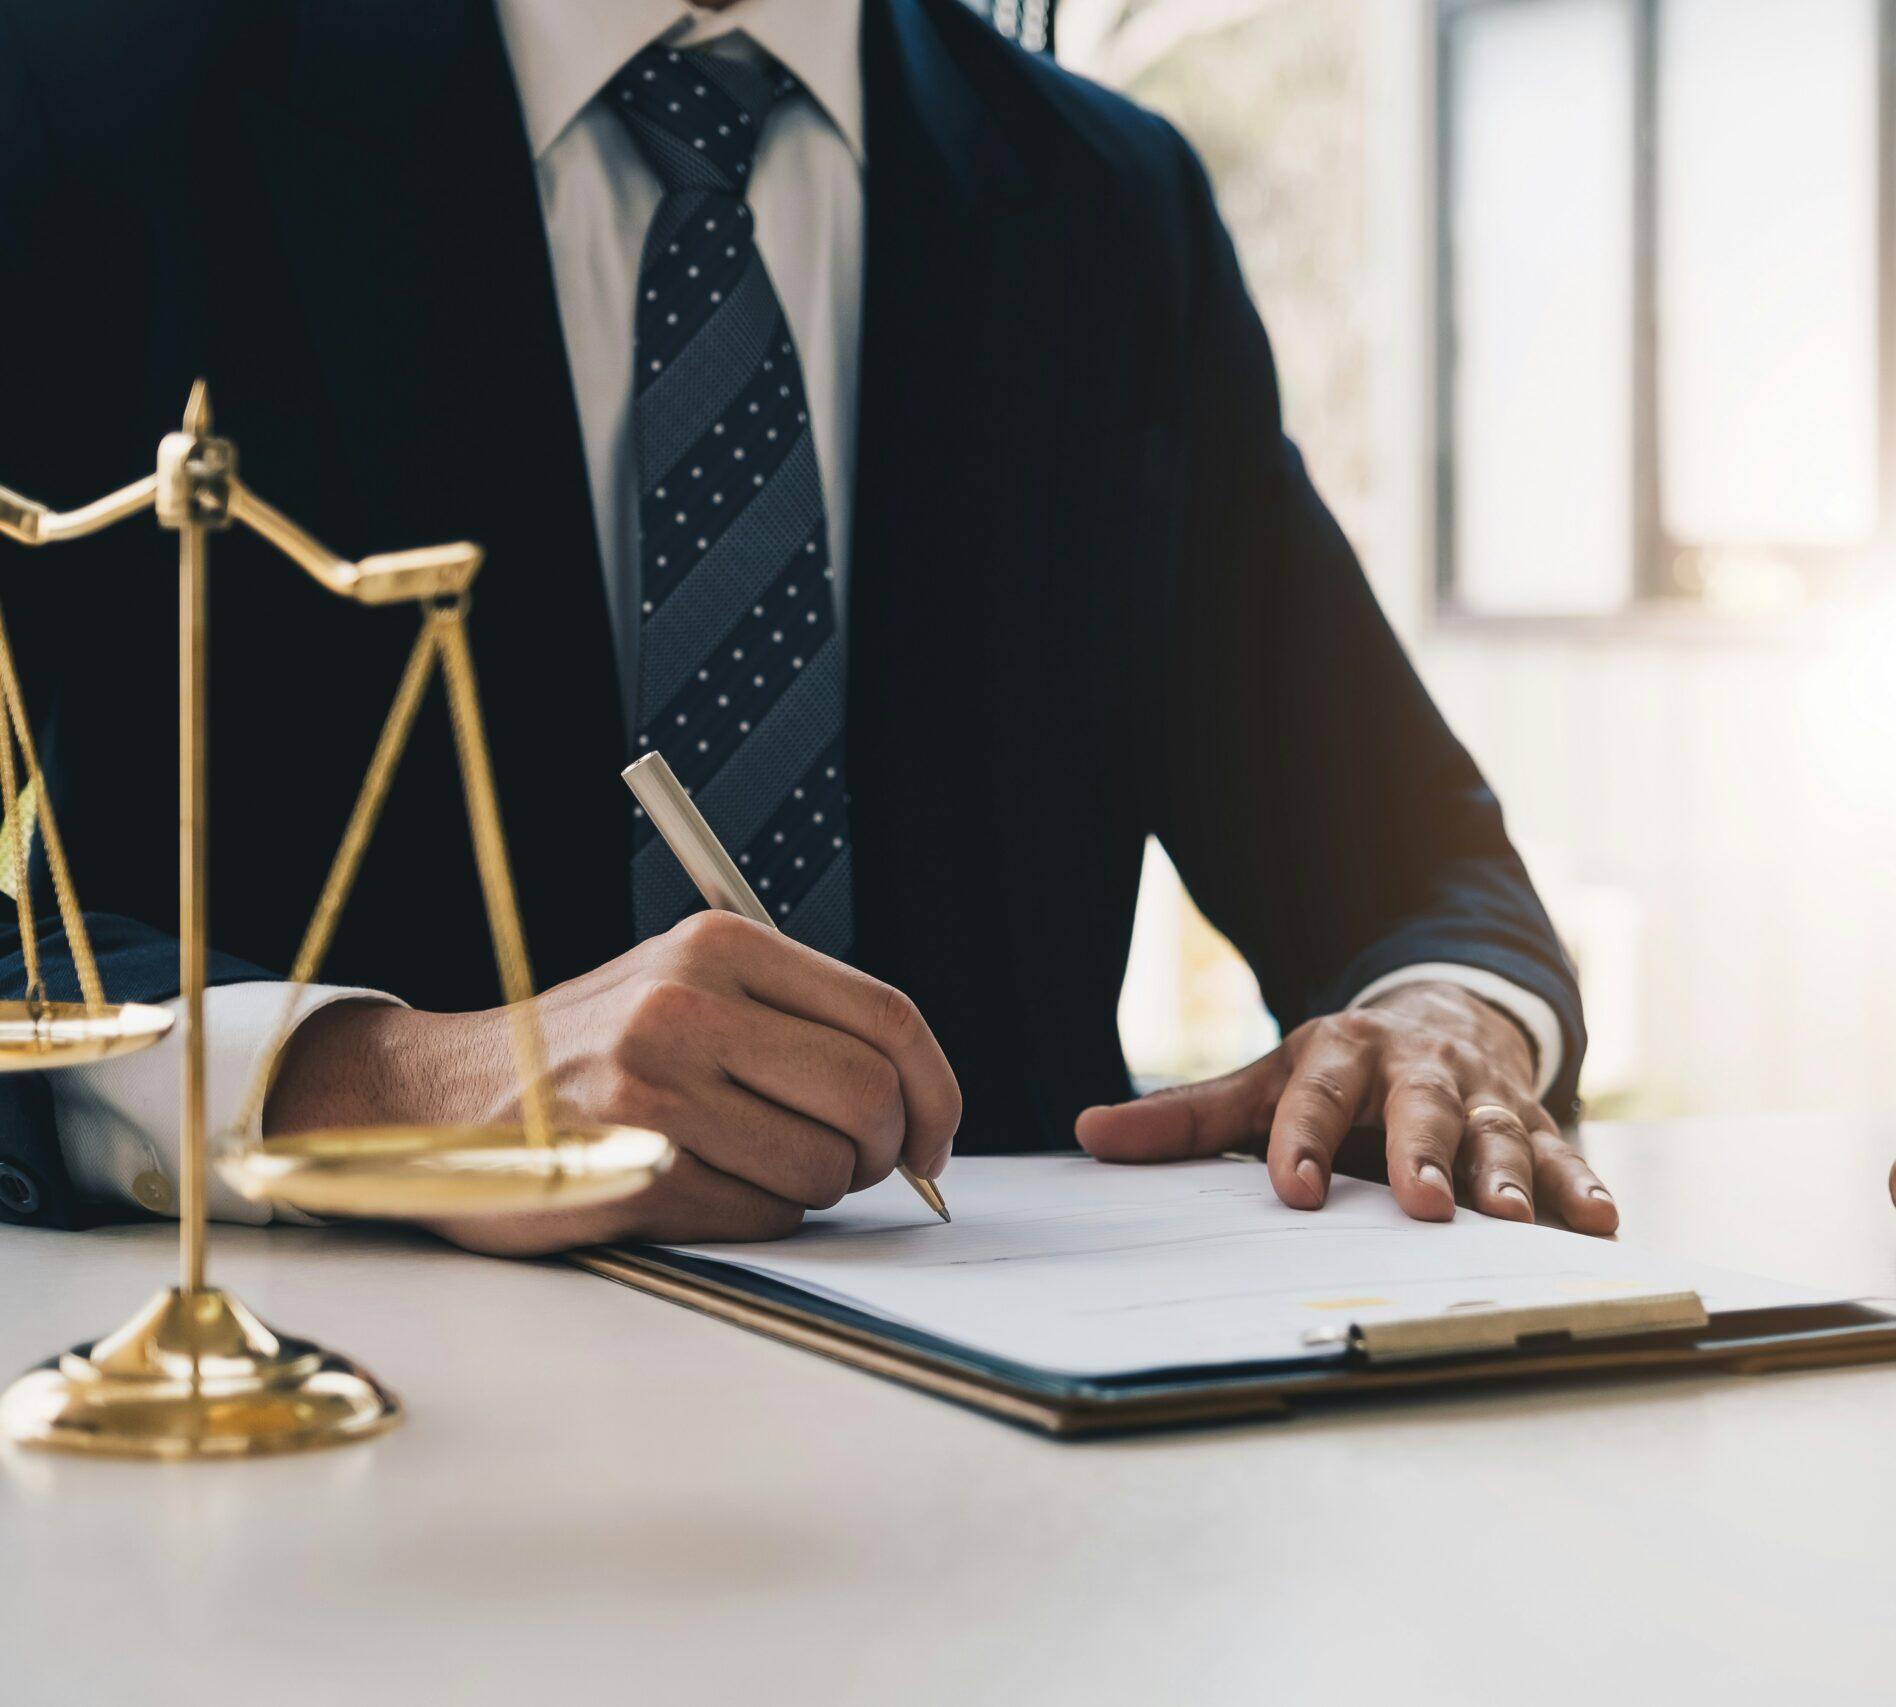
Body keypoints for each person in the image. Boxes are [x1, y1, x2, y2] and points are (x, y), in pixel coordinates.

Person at [0, 0, 1609, 1254]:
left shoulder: (1108, 208)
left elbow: (1416, 876)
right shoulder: (78, 105)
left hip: (1026, 1503)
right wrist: (384, 1087)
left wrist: (1443, 1026)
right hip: (313, 1498)